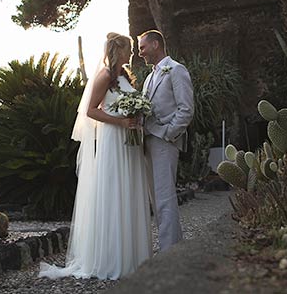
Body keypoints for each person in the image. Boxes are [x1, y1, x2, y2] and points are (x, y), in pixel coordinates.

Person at [38, 33, 153, 280]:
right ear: (118, 50)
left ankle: (133, 257)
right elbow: (90, 110)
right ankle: (112, 259)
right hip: (114, 139)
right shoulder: (104, 76)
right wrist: (120, 122)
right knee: (114, 192)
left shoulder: (123, 75)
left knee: (129, 191)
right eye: (129, 49)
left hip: (130, 142)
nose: (132, 53)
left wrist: (136, 119)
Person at [138, 30, 193, 252]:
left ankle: (168, 250)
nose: (140, 53)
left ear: (155, 44)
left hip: (164, 141)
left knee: (164, 197)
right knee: (156, 199)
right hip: (147, 141)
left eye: (142, 47)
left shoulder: (176, 70)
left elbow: (186, 109)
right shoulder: (149, 77)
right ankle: (175, 246)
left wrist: (168, 134)